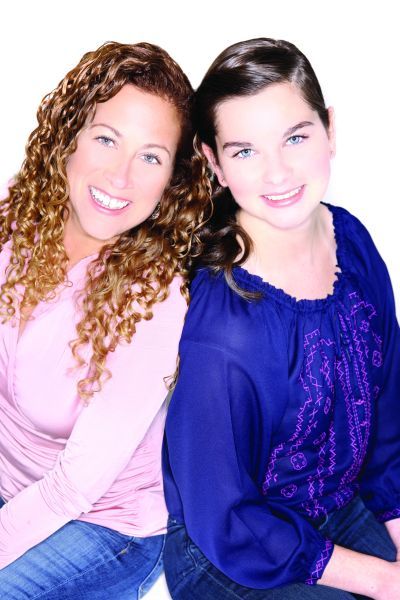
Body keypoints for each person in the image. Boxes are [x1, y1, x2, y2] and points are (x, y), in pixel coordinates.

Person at [163, 37, 400, 599]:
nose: (278, 173)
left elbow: (388, 417)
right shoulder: (225, 326)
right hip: (233, 549)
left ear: (330, 129)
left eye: (295, 137)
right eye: (245, 151)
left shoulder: (353, 241)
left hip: (339, 507)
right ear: (215, 164)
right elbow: (225, 516)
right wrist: (384, 579)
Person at [0, 41, 209, 598]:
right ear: (69, 135)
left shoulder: (153, 300)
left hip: (104, 526)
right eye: (107, 139)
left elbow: (73, 488)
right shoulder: (18, 218)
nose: (120, 177)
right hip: (12, 492)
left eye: (151, 157)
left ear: (172, 180)